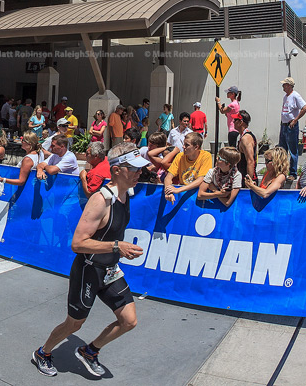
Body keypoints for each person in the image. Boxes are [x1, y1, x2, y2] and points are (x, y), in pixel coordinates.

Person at [32, 142, 149, 378]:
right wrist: (117, 246)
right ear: (116, 170)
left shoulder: (127, 194)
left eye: (140, 168)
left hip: (109, 269)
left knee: (129, 321)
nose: (139, 173)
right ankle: (43, 353)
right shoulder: (100, 200)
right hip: (88, 269)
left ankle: (89, 351)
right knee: (74, 324)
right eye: (134, 168)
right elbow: (77, 244)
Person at [163, 132, 213, 203]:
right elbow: (168, 177)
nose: (183, 147)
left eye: (187, 145)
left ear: (196, 147)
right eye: (183, 144)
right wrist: (168, 192)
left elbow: (201, 180)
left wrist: (178, 190)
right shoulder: (180, 156)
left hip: (197, 195)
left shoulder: (206, 156)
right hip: (183, 194)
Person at [277, 77, 306, 178]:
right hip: (284, 125)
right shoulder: (285, 96)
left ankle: (293, 173)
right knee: (282, 149)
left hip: (291, 126)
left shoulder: (295, 96)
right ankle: (282, 171)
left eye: (284, 85)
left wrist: (295, 119)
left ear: (289, 85)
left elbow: (305, 107)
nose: (283, 87)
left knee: (293, 150)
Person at [233, 111, 257, 181]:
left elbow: (250, 161)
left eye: (235, 120)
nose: (233, 122)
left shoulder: (246, 138)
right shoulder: (243, 136)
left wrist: (249, 181)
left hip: (246, 179)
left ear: (240, 122)